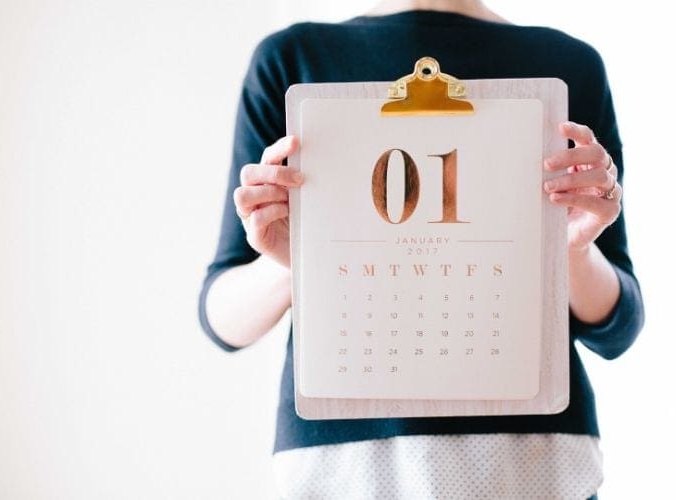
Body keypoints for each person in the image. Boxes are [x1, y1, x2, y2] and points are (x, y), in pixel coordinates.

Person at [197, 0, 645, 498]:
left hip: (528, 457)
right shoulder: (292, 60)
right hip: (347, 465)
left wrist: (574, 249)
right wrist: (296, 262)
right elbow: (222, 318)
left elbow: (618, 327)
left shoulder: (567, 64)